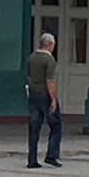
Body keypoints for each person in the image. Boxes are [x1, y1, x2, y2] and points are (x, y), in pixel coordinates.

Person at [27, 32, 63, 169]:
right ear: (50, 44)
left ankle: (32, 159)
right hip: (44, 95)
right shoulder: (49, 60)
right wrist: (53, 99)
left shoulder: (32, 57)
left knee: (34, 127)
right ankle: (51, 155)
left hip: (33, 94)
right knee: (56, 124)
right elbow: (49, 81)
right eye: (53, 44)